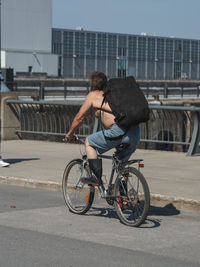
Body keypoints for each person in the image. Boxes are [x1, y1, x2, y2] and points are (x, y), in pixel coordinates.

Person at [65, 71, 140, 188]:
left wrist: (69, 134)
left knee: (89, 142)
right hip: (135, 133)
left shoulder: (93, 95)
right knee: (120, 165)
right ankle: (123, 198)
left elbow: (79, 118)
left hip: (118, 132)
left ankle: (96, 178)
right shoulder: (114, 94)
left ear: (92, 84)